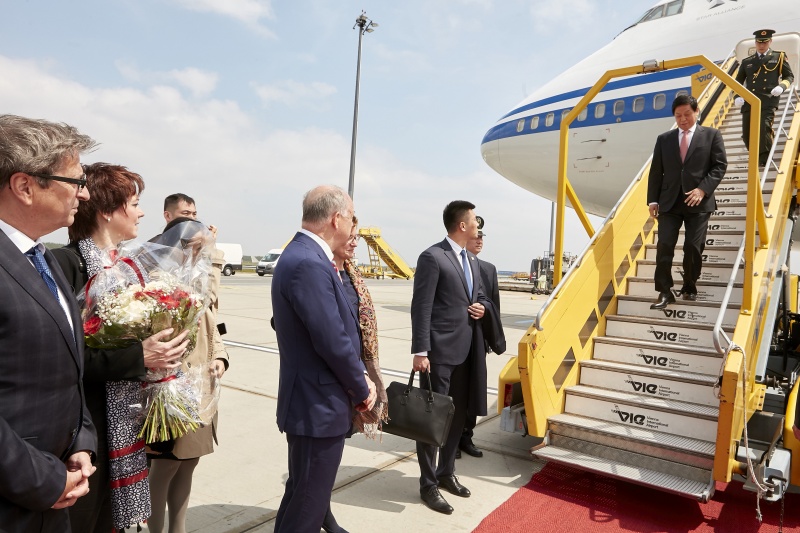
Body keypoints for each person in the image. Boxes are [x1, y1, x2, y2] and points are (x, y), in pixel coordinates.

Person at [51, 163, 189, 532]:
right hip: (86, 431)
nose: (141, 212)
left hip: (127, 424)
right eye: (134, 203)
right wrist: (138, 357)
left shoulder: (131, 268)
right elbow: (64, 358)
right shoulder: (66, 265)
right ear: (107, 210)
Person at [0, 114, 98, 532]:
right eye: (76, 181)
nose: (85, 193)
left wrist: (80, 440)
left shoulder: (43, 258)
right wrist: (42, 479)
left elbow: (65, 370)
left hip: (56, 492)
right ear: (25, 186)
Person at [271, 185, 376, 532]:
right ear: (336, 218)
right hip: (317, 405)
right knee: (308, 510)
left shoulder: (303, 255)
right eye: (351, 216)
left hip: (311, 403)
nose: (353, 225)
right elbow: (332, 339)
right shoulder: (308, 262)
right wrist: (362, 387)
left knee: (300, 497)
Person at [147, 217, 230, 533]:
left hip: (200, 388)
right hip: (174, 390)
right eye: (197, 246)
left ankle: (177, 529)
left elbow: (212, 322)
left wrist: (220, 358)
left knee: (188, 464)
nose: (204, 252)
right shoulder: (162, 282)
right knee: (165, 467)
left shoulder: (193, 279)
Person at [410, 200, 491, 515]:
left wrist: (482, 307)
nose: (476, 225)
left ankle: (445, 473)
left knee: (458, 414)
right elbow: (422, 306)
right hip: (439, 353)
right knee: (432, 419)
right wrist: (420, 350)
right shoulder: (433, 257)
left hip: (468, 351)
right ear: (461, 225)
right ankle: (428, 484)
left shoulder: (471, 259)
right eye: (473, 220)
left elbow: (480, 295)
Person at [647, 94, 727, 310]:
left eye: (687, 114)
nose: (682, 119)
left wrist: (703, 190)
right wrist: (652, 200)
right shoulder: (664, 139)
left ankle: (690, 285)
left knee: (693, 246)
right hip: (670, 202)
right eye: (678, 115)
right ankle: (664, 291)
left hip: (698, 202)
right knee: (664, 245)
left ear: (696, 111)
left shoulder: (711, 135)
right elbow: (656, 172)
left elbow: (719, 166)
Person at [457, 229, 506, 459]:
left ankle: (466, 436)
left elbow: (494, 305)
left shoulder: (488, 269)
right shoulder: (451, 264)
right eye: (476, 236)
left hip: (478, 342)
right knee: (453, 393)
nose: (480, 241)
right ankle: (450, 440)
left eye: (482, 237)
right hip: (455, 341)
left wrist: (486, 313)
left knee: (474, 391)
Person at [734, 29, 794, 168]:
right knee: (746, 134)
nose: (762, 45)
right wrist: (737, 96)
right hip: (749, 101)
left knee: (764, 128)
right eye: (759, 42)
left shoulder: (778, 57)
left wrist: (782, 87)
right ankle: (755, 155)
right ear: (755, 43)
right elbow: (737, 82)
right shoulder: (747, 62)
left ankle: (764, 159)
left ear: (770, 42)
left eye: (765, 42)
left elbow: (789, 76)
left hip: (768, 99)